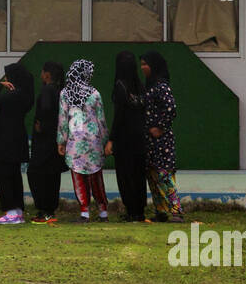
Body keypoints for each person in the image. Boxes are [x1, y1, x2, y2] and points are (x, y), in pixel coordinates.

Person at [57, 59, 110, 222]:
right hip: (94, 141)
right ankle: (103, 212)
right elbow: (101, 120)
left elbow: (63, 119)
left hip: (74, 142)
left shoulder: (65, 93)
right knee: (96, 176)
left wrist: (61, 141)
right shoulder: (94, 93)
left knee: (78, 176)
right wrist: (106, 141)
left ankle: (84, 212)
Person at [105, 50, 150, 222]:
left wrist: (111, 139)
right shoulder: (139, 85)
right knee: (138, 175)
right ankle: (139, 210)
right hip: (140, 138)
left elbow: (119, 116)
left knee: (125, 175)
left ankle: (131, 210)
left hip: (124, 139)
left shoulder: (120, 86)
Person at [141, 51, 183, 222]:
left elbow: (171, 109)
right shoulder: (150, 86)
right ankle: (161, 210)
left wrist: (160, 127)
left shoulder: (161, 87)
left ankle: (176, 210)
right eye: (142, 64)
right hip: (150, 141)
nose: (143, 68)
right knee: (152, 175)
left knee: (164, 174)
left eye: (146, 64)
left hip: (161, 140)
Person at [0, 61, 34, 224]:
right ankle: (17, 211)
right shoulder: (24, 94)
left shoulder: (14, 95)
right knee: (14, 175)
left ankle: (10, 211)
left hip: (7, 140)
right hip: (16, 139)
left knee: (3, 174)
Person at [27, 61, 67, 224]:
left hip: (44, 141)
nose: (41, 75)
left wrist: (40, 126)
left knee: (36, 174)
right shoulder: (60, 91)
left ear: (47, 74)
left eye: (42, 72)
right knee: (52, 175)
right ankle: (50, 210)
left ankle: (44, 209)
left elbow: (45, 111)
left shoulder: (47, 91)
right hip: (55, 139)